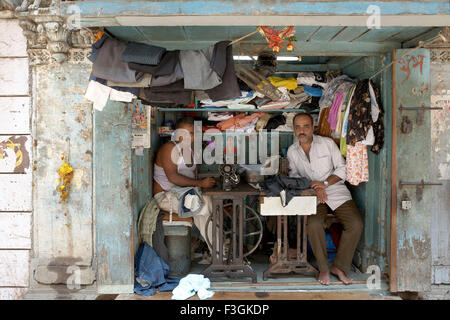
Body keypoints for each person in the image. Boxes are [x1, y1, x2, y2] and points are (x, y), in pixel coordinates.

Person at [287, 113, 363, 285]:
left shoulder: (327, 144)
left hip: (335, 190)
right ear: (293, 130)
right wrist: (314, 186)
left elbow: (343, 168)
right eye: (298, 127)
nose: (302, 130)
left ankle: (339, 267)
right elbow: (294, 177)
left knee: (355, 224)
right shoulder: (293, 151)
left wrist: (325, 184)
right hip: (312, 194)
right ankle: (323, 269)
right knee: (313, 225)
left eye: (306, 126)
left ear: (312, 128)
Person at [152, 117, 216, 263]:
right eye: (186, 133)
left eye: (193, 133)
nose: (190, 137)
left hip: (183, 195)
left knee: (210, 203)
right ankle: (218, 253)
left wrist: (205, 183)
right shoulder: (169, 148)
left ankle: (217, 250)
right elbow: (173, 177)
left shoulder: (191, 152)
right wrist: (201, 183)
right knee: (203, 206)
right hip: (166, 197)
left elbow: (193, 178)